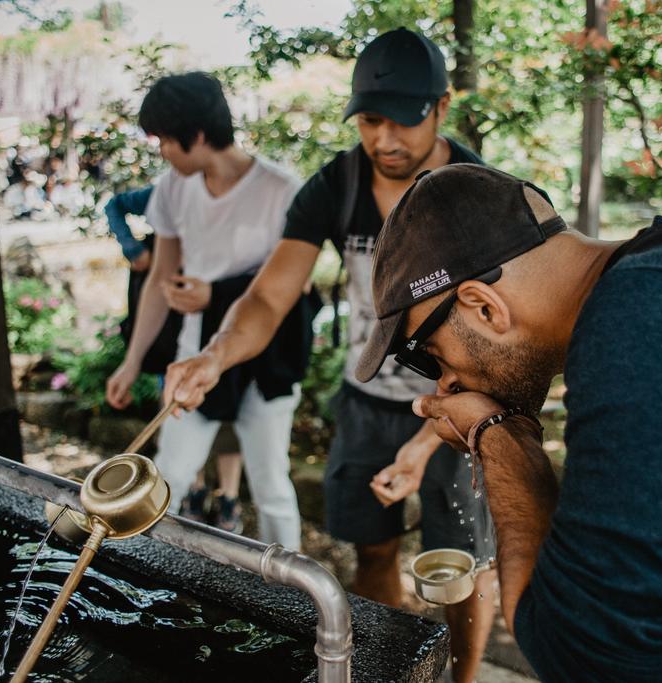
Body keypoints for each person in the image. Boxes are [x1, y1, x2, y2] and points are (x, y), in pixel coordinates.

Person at [356, 163, 662, 681]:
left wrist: (498, 435)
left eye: (427, 355)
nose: (442, 386)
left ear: (483, 307)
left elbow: (590, 663)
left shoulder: (651, 332)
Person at [161, 29, 497, 683]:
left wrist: (430, 438)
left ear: (442, 108)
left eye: (406, 120)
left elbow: (500, 346)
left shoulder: (479, 194)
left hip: (461, 407)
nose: (386, 139)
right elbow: (268, 299)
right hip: (368, 400)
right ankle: (394, 671)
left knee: (459, 574)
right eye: (372, 120)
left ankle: (460, 679)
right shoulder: (336, 186)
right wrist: (216, 355)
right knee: (371, 552)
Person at [105, 72, 305, 549]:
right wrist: (131, 362)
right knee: (169, 472)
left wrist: (214, 294)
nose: (162, 153)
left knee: (271, 482)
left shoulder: (282, 190)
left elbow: (292, 287)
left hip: (266, 356)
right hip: (195, 353)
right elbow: (160, 278)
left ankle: (300, 599)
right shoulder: (174, 188)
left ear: (196, 136)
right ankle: (151, 574)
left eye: (165, 141)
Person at [105, 186, 244, 532]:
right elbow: (115, 205)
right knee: (178, 403)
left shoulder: (241, 195)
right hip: (173, 324)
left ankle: (228, 496)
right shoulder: (167, 192)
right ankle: (194, 490)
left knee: (229, 415)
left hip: (224, 319)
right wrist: (134, 249)